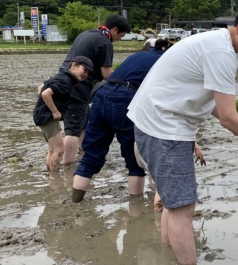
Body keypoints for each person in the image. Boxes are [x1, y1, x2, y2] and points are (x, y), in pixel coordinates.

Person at [128, 4, 238, 265]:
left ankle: (168, 258)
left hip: (162, 124)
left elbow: (218, 108)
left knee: (174, 204)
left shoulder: (216, 44)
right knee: (183, 209)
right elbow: (228, 118)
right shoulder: (221, 52)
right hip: (164, 128)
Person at [72, 39, 175, 203]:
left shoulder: (136, 56)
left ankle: (75, 202)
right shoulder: (166, 61)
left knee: (90, 156)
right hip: (126, 99)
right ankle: (135, 207)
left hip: (101, 96)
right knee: (134, 161)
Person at [60, 15, 131, 166]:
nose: (118, 39)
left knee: (83, 122)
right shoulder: (105, 43)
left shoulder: (86, 34)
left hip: (64, 81)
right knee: (73, 127)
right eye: (120, 36)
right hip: (77, 86)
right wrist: (123, 83)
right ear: (114, 29)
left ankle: (84, 153)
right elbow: (107, 74)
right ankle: (67, 166)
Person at [33, 57, 94, 171]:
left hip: (42, 116)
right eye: (84, 70)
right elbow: (45, 94)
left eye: (88, 73)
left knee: (53, 149)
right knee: (59, 150)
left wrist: (42, 106)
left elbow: (41, 88)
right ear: (73, 66)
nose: (86, 74)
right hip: (47, 117)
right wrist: (55, 111)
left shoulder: (63, 77)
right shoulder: (65, 80)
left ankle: (50, 175)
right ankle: (55, 181)